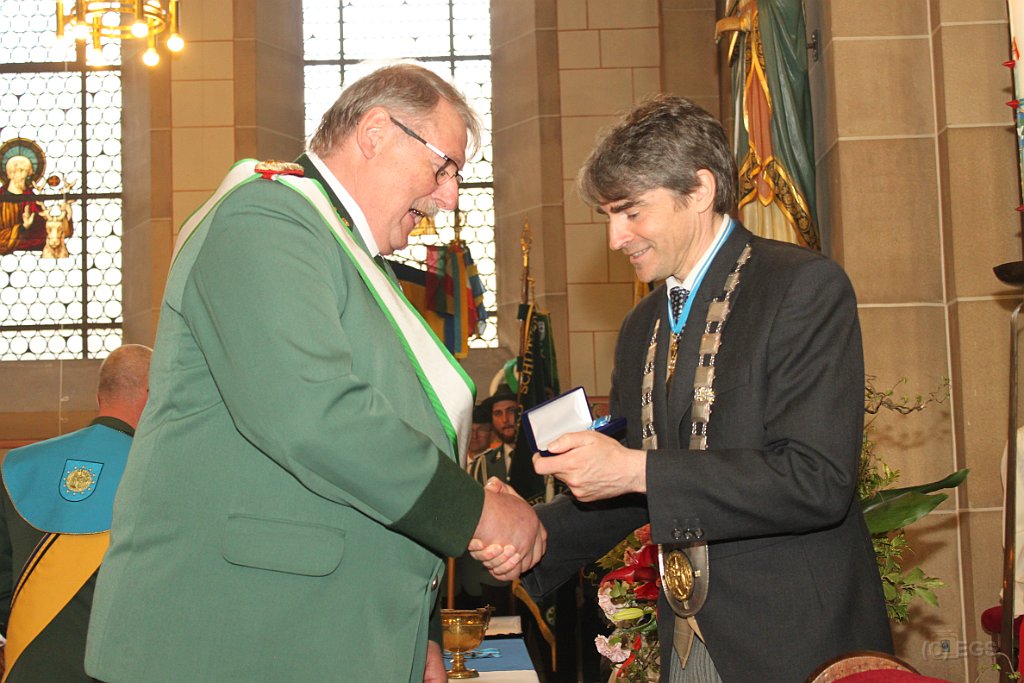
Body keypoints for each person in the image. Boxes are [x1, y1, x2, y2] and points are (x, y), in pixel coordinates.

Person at [84, 63, 545, 683]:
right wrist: (475, 512)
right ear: (375, 132)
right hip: (235, 638)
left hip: (323, 631)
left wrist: (414, 634)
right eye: (444, 167)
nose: (449, 198)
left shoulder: (345, 253)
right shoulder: (265, 218)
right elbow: (312, 413)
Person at [474, 95, 892, 682]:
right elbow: (637, 489)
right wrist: (536, 530)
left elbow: (816, 479)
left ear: (699, 190)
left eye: (631, 212)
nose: (615, 237)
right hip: (684, 639)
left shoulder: (800, 288)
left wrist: (634, 469)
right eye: (608, 216)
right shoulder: (641, 325)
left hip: (794, 641)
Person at [0, 343, 152, 683]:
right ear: (152, 396)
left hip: (30, 664)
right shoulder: (158, 473)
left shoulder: (17, 466)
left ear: (99, 398)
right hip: (117, 666)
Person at [469, 383, 518, 483]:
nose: (505, 419)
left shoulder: (542, 456)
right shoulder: (481, 465)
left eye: (511, 411)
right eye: (498, 413)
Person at [0, 155, 45, 254]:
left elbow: (43, 230)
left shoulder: (31, 197)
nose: (25, 178)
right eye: (22, 171)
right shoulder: (1, 196)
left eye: (27, 174)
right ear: (10, 174)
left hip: (31, 251)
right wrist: (23, 227)